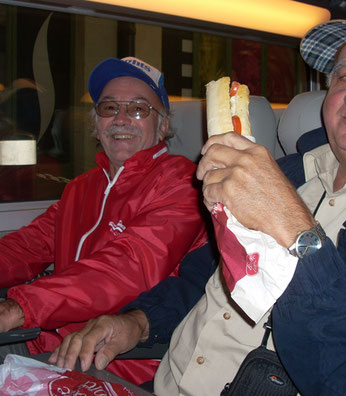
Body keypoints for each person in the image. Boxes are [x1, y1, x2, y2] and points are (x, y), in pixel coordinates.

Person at [50, 14, 346, 395]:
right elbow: (206, 274)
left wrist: (297, 232)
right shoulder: (286, 172)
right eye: (345, 76)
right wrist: (139, 322)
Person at [0, 57, 208, 384]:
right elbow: (28, 245)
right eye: (109, 108)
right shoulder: (82, 188)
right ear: (96, 125)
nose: (120, 118)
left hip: (123, 363)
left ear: (163, 125)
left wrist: (21, 307)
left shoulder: (183, 183)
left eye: (138, 109)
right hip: (51, 348)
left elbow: (128, 267)